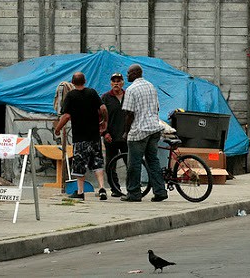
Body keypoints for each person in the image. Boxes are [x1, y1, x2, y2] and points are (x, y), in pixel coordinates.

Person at [53, 72, 109, 201]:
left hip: (80, 137)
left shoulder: (71, 96)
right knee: (97, 162)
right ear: (85, 81)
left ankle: (80, 191)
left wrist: (57, 129)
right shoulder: (92, 93)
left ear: (72, 82)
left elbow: (66, 116)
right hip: (94, 136)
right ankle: (101, 188)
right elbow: (104, 109)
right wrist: (104, 121)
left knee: (79, 164)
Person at [120, 63, 167, 202]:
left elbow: (129, 114)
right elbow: (157, 108)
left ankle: (134, 193)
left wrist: (126, 132)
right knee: (153, 161)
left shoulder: (131, 90)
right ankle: (160, 191)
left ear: (135, 74)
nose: (127, 75)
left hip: (139, 131)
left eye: (128, 73)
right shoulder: (151, 86)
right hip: (154, 129)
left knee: (134, 164)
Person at [102, 72, 128, 197]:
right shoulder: (105, 98)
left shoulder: (128, 96)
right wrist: (105, 133)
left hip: (127, 137)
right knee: (110, 165)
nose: (116, 83)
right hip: (110, 137)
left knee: (131, 164)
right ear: (111, 83)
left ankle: (132, 188)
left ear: (123, 82)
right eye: (114, 81)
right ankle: (115, 189)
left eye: (118, 81)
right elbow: (100, 118)